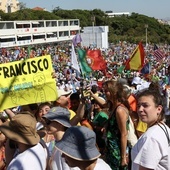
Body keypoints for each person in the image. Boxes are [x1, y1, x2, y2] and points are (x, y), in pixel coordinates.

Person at [88, 80, 130, 169]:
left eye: (106, 91)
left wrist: (123, 157)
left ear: (114, 92)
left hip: (117, 150)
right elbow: (103, 104)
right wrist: (92, 95)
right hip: (111, 148)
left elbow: (124, 134)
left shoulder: (120, 110)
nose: (105, 93)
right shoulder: (112, 105)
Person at [131, 89, 170, 170]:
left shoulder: (151, 137)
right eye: (138, 106)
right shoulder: (163, 128)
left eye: (145, 105)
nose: (140, 109)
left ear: (159, 109)